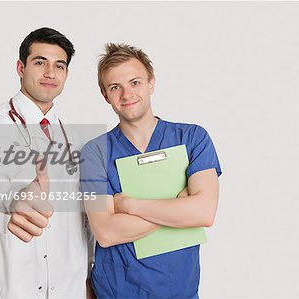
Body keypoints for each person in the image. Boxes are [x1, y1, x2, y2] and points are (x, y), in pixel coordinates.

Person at [80, 43, 222, 298]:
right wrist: (178, 207)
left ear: (151, 83)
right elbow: (107, 232)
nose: (127, 94)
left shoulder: (192, 139)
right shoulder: (95, 152)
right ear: (105, 95)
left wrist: (129, 204)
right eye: (115, 87)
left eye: (135, 82)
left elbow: (203, 212)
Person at [0, 27, 93, 298]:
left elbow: (85, 220)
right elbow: (0, 168)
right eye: (40, 62)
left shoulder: (78, 140)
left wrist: (88, 277)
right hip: (15, 283)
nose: (50, 73)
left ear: (66, 74)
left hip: (69, 285)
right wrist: (21, 195)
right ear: (20, 67)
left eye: (59, 65)